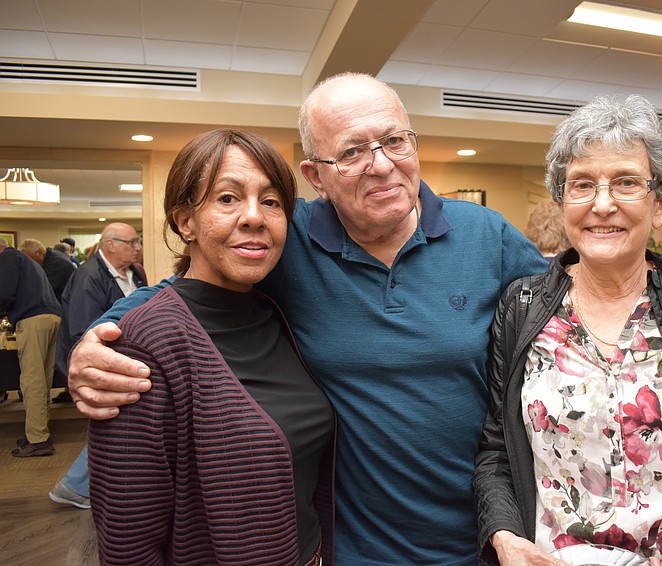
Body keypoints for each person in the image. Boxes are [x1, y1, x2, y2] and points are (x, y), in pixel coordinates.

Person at [68, 73, 547, 565]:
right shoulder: (283, 236)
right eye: (352, 152)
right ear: (316, 177)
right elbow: (190, 290)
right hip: (349, 545)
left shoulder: (486, 234)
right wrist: (100, 339)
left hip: (488, 535)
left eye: (394, 141)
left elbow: (568, 310)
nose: (381, 165)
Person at [473, 95, 662, 566]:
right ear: (562, 202)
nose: (602, 204)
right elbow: (496, 452)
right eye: (582, 185)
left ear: (661, 203)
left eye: (626, 182)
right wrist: (505, 538)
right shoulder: (520, 308)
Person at [87, 129, 335, 565]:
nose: (254, 217)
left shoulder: (276, 315)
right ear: (186, 222)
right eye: (227, 198)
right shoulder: (145, 344)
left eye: (272, 201)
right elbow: (128, 544)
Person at [48, 222, 148, 509]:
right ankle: (76, 486)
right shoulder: (89, 276)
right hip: (99, 359)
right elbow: (83, 331)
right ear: (110, 244)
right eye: (131, 243)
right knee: (118, 417)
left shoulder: (135, 274)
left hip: (124, 357)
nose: (137, 247)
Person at [0, 237, 63, 457]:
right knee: (42, 379)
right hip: (51, 317)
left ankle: (38, 439)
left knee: (32, 381)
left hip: (33, 320)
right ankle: (37, 431)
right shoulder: (24, 260)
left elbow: (4, 294)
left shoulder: (7, 257)